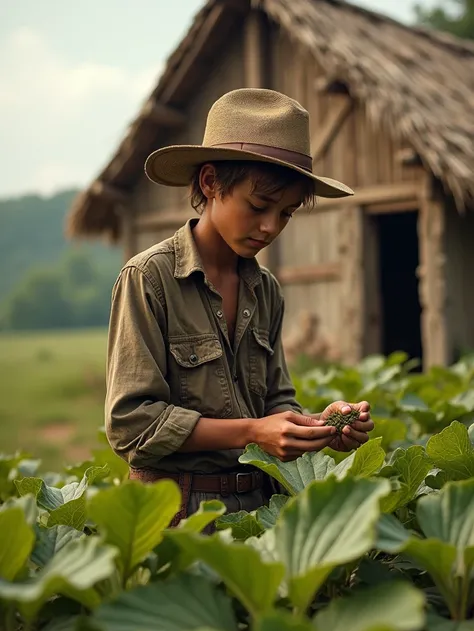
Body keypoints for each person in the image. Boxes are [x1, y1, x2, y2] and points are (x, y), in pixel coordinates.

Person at [105, 88, 374, 525]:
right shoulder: (149, 278)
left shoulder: (264, 289)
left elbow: (275, 401)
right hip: (174, 516)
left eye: (286, 213)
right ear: (210, 183)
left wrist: (318, 428)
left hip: (260, 511)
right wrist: (254, 432)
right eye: (258, 205)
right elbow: (132, 425)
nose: (270, 227)